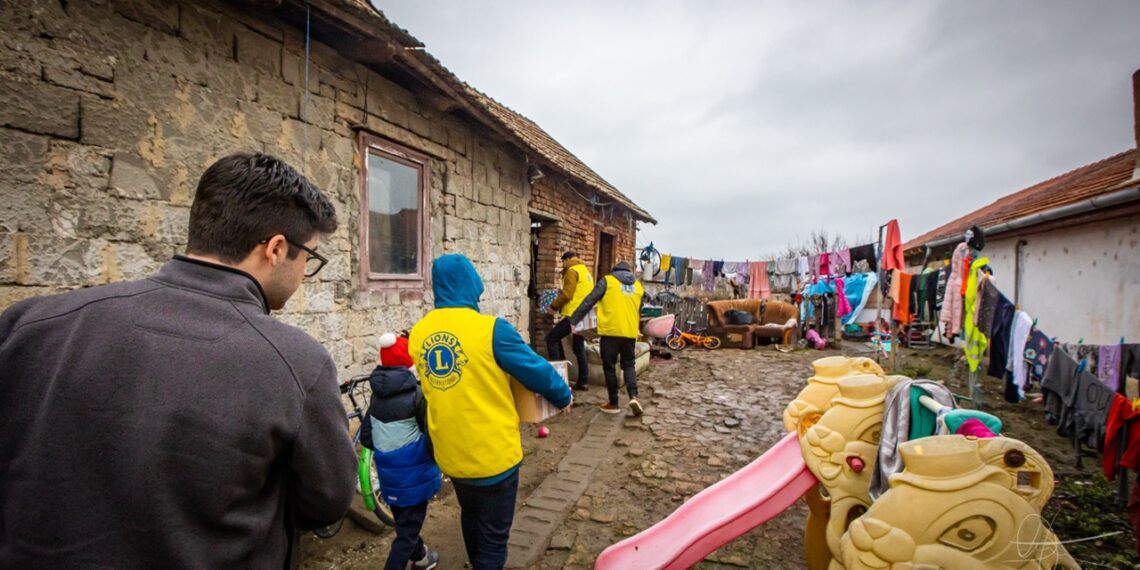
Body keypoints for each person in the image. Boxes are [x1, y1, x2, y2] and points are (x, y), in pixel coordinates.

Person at [0, 152, 356, 568]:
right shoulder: (296, 362)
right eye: (308, 258)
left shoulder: (30, 322)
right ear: (276, 248)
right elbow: (326, 501)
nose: (303, 276)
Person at [409, 253, 572, 570]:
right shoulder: (492, 330)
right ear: (473, 284)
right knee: (495, 539)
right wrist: (563, 395)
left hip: (452, 454)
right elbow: (536, 370)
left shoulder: (419, 333)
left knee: (471, 516)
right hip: (493, 455)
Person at [360, 332, 441, 570]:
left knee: (406, 524)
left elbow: (367, 437)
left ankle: (422, 557)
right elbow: (432, 436)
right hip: (414, 477)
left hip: (389, 477)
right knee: (405, 535)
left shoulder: (376, 398)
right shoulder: (417, 396)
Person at [569, 261, 645, 416]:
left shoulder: (608, 281)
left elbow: (589, 301)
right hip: (630, 333)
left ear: (614, 271)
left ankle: (613, 403)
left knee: (609, 367)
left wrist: (574, 320)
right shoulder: (638, 286)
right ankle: (634, 396)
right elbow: (639, 307)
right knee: (629, 365)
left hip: (610, 332)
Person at [544, 251, 594, 391]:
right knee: (579, 347)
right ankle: (583, 382)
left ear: (568, 259)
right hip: (585, 314)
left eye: (563, 261)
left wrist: (553, 306)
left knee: (551, 339)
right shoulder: (585, 271)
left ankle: (560, 378)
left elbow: (567, 294)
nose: (563, 264)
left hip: (574, 315)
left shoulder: (572, 271)